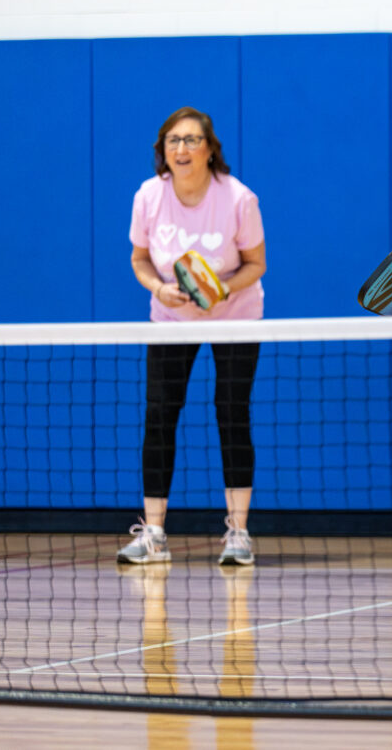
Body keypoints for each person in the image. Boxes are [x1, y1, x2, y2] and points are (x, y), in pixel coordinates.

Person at [118, 106, 267, 567]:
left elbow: (256, 265)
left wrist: (218, 290)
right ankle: (155, 533)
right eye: (173, 141)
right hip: (171, 317)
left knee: (231, 413)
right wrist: (160, 287)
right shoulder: (148, 196)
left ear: (209, 149)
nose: (181, 149)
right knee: (160, 416)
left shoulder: (238, 198)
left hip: (235, 315)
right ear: (163, 151)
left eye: (191, 140)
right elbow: (140, 259)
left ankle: (239, 534)